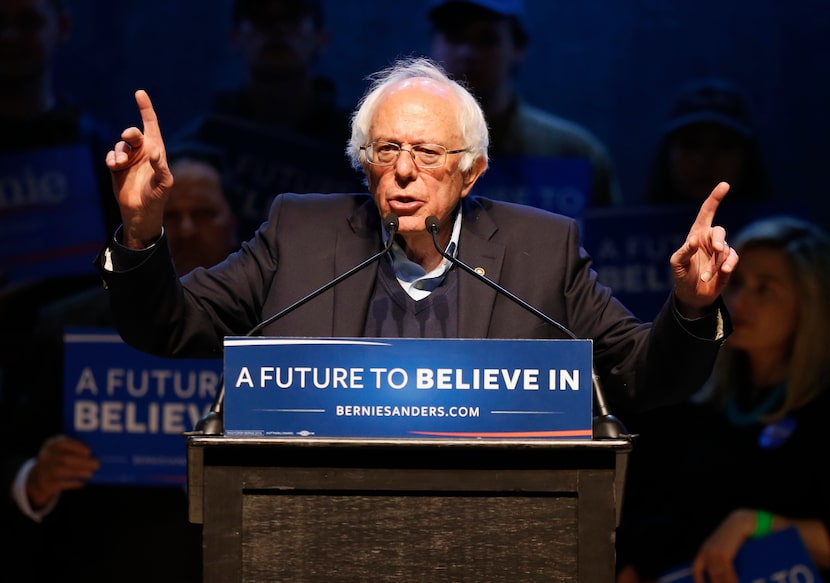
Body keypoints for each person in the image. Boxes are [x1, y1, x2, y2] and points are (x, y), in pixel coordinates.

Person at [96, 56, 735, 437]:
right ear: (364, 163)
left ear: (472, 171)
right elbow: (168, 327)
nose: (404, 171)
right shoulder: (299, 234)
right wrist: (141, 232)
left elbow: (640, 377)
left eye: (428, 152)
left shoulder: (541, 249)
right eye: (386, 150)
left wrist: (693, 309)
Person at [0, 143, 238, 582]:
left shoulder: (271, 326)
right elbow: (9, 449)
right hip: (100, 559)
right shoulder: (68, 326)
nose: (185, 229)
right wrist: (35, 477)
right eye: (169, 214)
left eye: (203, 214)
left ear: (235, 222)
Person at [615, 216, 830, 582]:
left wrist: (758, 523)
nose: (740, 301)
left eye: (765, 289)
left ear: (811, 304)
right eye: (738, 284)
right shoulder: (695, 403)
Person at [0, 0, 120, 418]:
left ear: (62, 27)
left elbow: (120, 271)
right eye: (0, 23)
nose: (10, 37)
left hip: (69, 374)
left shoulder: (98, 149)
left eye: (28, 23)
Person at [173, 0, 364, 238]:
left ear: (321, 37)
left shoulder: (357, 144)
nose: (277, 29)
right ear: (234, 37)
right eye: (259, 19)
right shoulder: (206, 138)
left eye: (292, 18)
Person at [427, 0, 621, 215]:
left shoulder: (575, 153)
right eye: (454, 37)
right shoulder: (408, 150)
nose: (467, 52)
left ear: (518, 47)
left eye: (487, 39)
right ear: (434, 44)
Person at [643, 78, 773, 205]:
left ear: (747, 155)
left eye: (724, 145)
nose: (705, 159)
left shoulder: (782, 225)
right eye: (690, 144)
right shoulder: (637, 226)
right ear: (668, 154)